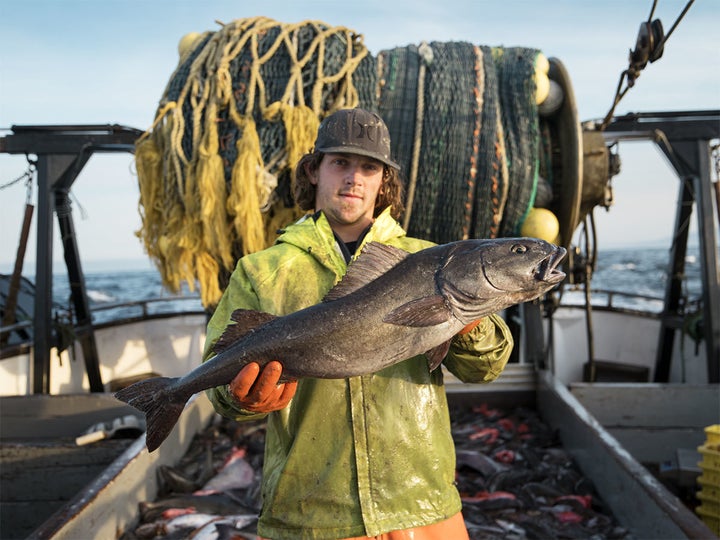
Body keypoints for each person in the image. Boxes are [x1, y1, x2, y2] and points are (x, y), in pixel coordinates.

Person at [203, 107, 514, 539]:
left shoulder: (435, 259)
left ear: (383, 179)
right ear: (314, 170)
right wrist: (242, 399)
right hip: (310, 514)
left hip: (423, 504)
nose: (354, 178)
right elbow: (220, 384)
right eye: (341, 163)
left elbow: (486, 368)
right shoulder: (260, 271)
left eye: (369, 167)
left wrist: (464, 318)